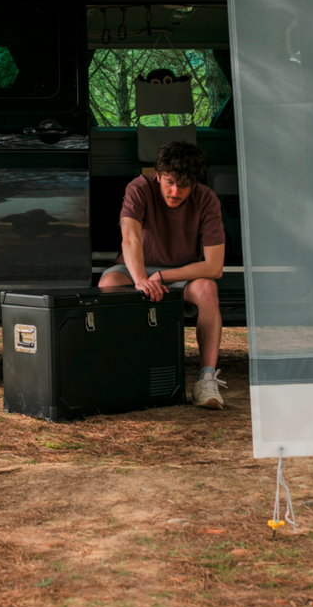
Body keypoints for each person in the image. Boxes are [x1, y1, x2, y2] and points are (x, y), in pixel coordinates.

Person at [97, 140, 228, 409]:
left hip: (182, 272)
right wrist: (141, 279)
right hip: (136, 267)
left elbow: (214, 267)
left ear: (195, 183)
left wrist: (162, 277)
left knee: (208, 289)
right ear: (158, 175)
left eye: (184, 185)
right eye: (169, 182)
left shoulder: (207, 199)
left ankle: (206, 379)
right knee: (108, 283)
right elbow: (130, 239)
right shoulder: (139, 188)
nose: (175, 191)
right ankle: (113, 374)